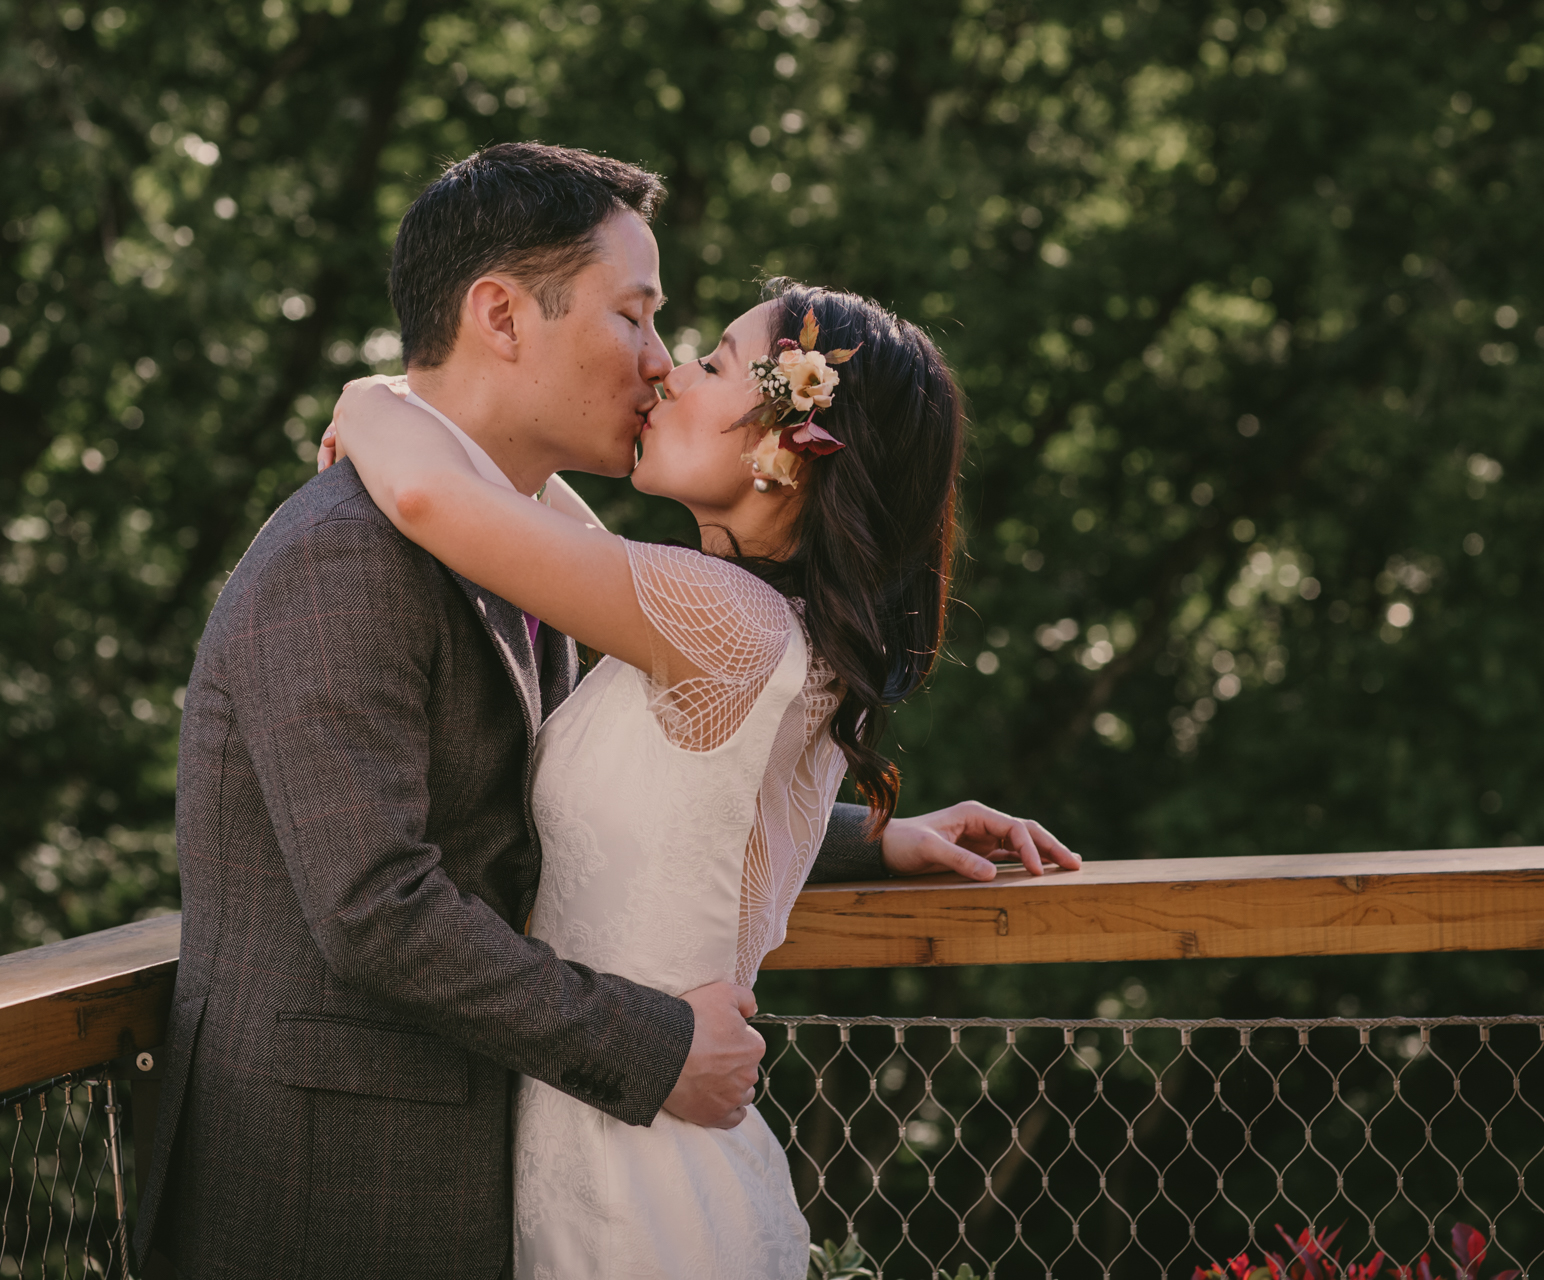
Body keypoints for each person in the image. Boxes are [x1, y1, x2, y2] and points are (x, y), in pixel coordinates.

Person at [135, 141, 1073, 1280]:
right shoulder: (347, 556)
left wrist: (374, 400)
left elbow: (589, 801)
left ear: (789, 447)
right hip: (333, 1190)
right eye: (637, 317)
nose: (665, 363)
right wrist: (858, 848)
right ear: (500, 312)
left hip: (563, 1151)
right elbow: (380, 904)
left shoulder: (607, 578)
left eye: (700, 351)